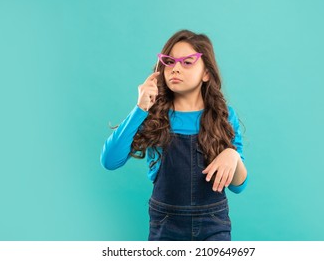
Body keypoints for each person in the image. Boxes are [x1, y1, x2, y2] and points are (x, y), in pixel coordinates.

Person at [100, 29, 248, 241]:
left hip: (213, 225)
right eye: (169, 61)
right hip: (165, 227)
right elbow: (109, 161)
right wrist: (140, 108)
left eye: (187, 62)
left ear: (206, 73)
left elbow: (239, 185)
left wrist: (232, 155)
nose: (175, 68)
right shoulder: (152, 116)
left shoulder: (223, 116)